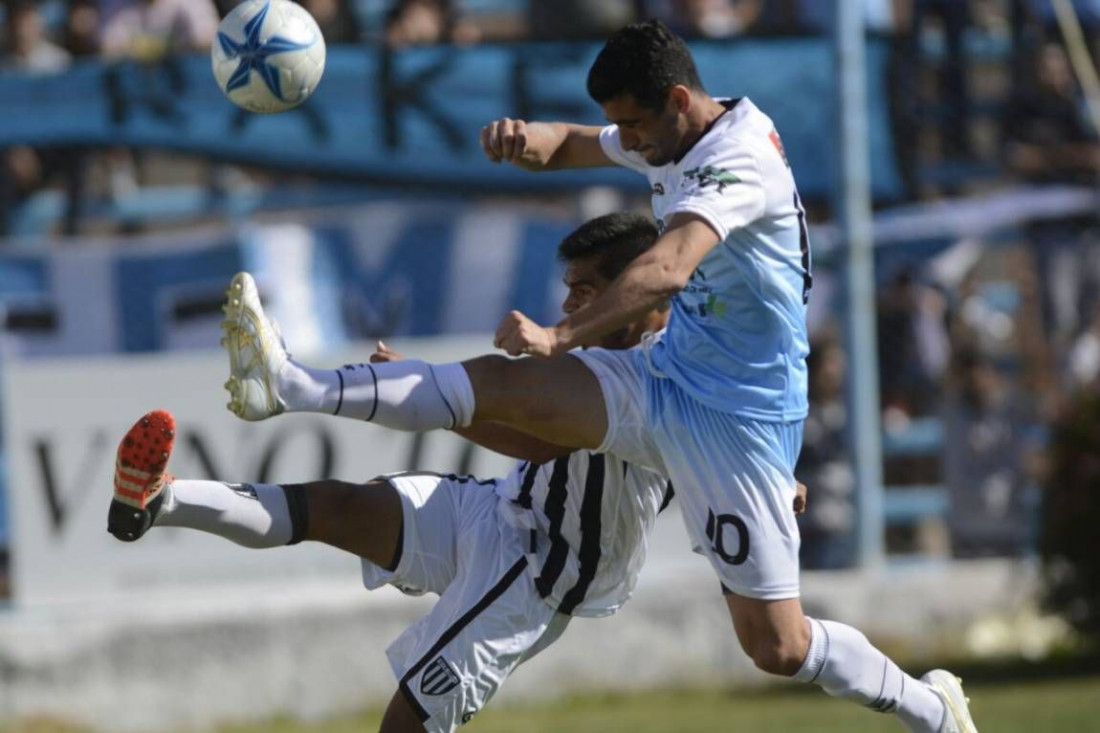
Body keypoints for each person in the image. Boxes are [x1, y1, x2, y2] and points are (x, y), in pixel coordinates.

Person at [216, 20, 976, 733]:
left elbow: (669, 266)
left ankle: (932, 709)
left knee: (776, 645)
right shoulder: (672, 133)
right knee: (500, 384)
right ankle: (290, 385)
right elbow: (579, 143)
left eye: (639, 125)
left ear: (679, 100)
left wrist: (562, 332)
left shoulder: (738, 162)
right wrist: (527, 138)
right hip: (667, 374)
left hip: (741, 421)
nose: (633, 142)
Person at [111, 213, 808, 732]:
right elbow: (528, 445)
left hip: (539, 575)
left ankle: (290, 384)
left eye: (589, 290)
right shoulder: (607, 357)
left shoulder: (657, 375)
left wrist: (773, 480)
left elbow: (539, 443)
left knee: (406, 723)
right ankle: (157, 502)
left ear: (642, 299)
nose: (571, 308)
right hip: (501, 511)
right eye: (570, 291)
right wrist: (417, 394)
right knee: (334, 506)